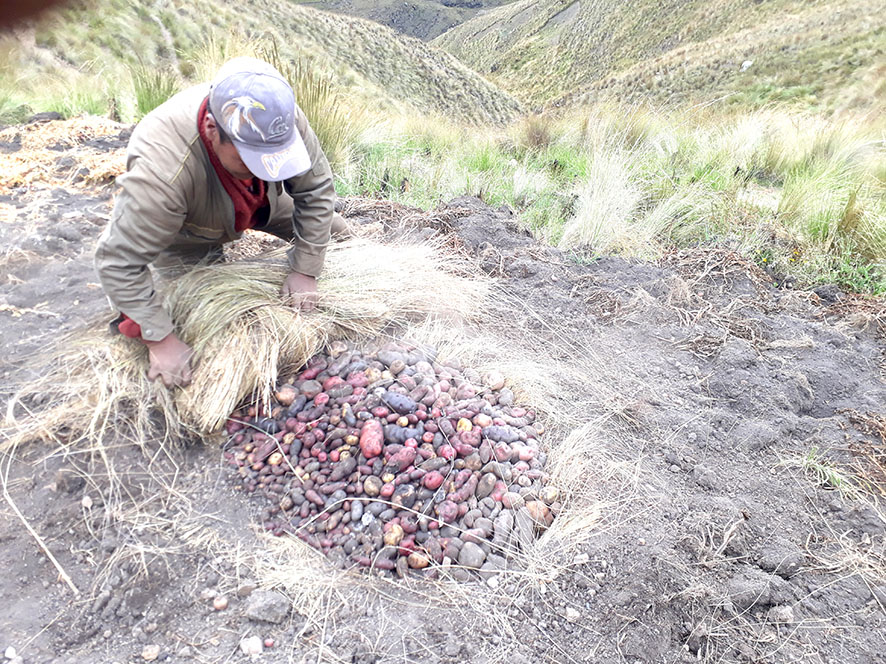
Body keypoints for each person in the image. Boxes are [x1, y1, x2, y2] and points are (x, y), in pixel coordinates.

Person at [95, 57, 349, 388]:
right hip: (191, 229)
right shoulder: (164, 174)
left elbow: (314, 189)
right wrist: (160, 341)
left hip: (264, 200)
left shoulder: (277, 117)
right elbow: (119, 262)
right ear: (213, 130)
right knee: (205, 310)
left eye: (277, 156)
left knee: (339, 235)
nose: (268, 167)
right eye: (252, 158)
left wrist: (306, 268)